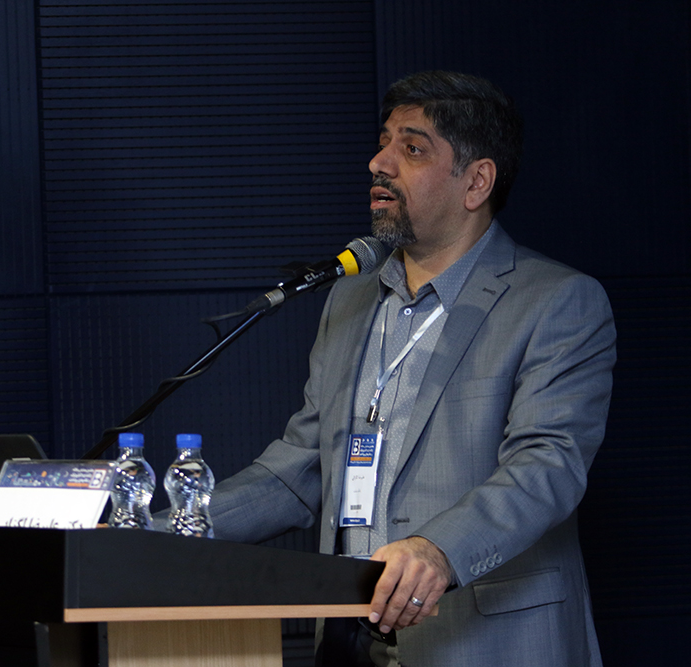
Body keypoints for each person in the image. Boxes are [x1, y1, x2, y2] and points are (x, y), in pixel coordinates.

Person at [208, 71, 616, 666]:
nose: (379, 163)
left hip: (486, 644)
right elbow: (299, 472)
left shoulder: (555, 301)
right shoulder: (350, 299)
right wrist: (159, 530)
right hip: (351, 642)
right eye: (383, 143)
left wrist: (437, 549)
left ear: (476, 181)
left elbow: (548, 465)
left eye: (413, 148)